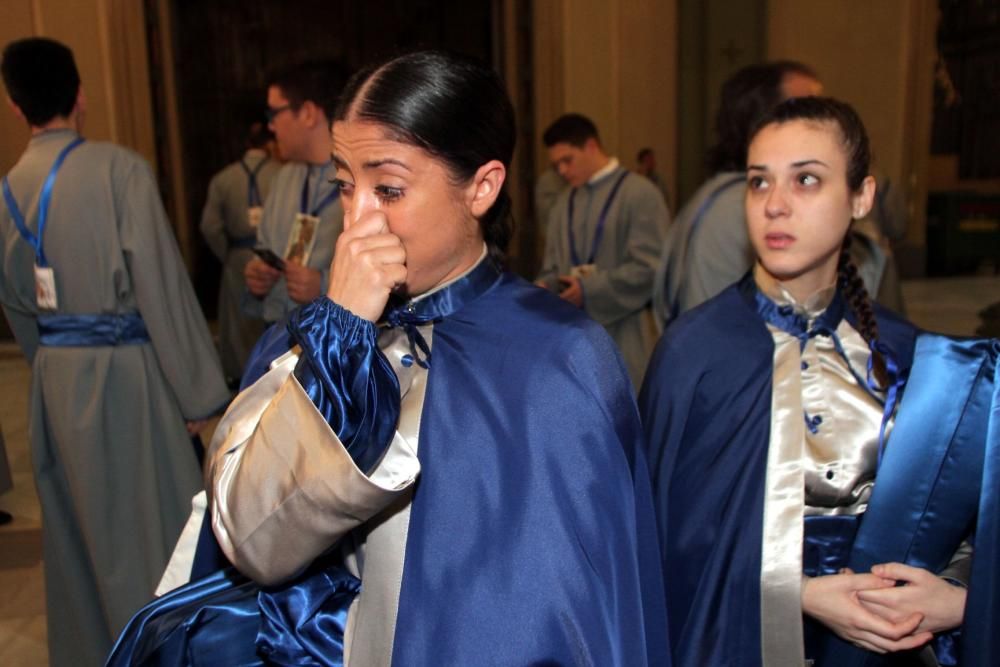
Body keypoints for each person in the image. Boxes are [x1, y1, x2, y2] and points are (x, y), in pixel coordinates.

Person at [108, 51, 668, 666]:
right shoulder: (305, 339)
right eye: (346, 186)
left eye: (390, 189)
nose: (357, 221)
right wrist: (340, 337)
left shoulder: (561, 358)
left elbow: (585, 611)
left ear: (481, 186)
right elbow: (251, 540)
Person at [640, 96, 999, 665]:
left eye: (806, 179)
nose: (775, 206)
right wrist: (797, 594)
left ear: (862, 197)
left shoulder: (909, 356)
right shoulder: (694, 353)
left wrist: (958, 597)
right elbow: (660, 548)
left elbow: (962, 525)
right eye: (759, 183)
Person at [0, 38, 230, 666]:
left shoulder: (6, 191)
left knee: (78, 541)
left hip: (54, 378)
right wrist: (199, 395)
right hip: (127, 378)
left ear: (17, 109)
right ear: (81, 96)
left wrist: (52, 361)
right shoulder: (118, 168)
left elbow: (17, 305)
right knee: (153, 533)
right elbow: (161, 287)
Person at [653, 60, 821, 323]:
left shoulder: (707, 196)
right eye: (808, 110)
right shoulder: (755, 206)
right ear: (765, 122)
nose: (827, 123)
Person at [536, 113, 669, 388]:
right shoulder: (563, 204)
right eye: (556, 165)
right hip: (570, 341)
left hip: (625, 335)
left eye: (567, 160)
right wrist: (545, 286)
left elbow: (650, 268)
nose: (561, 171)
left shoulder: (640, 193)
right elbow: (553, 267)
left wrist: (589, 290)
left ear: (591, 147)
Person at [242, 61, 346, 325]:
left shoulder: (360, 180)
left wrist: (324, 285)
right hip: (281, 333)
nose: (271, 127)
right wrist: (258, 274)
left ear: (309, 113)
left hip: (335, 342)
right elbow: (264, 247)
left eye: (274, 113)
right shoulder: (285, 177)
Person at [199, 119, 280, 384]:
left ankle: (240, 377)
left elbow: (209, 226)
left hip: (237, 257)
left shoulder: (223, 178)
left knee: (237, 324)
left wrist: (229, 255)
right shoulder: (283, 173)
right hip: (275, 258)